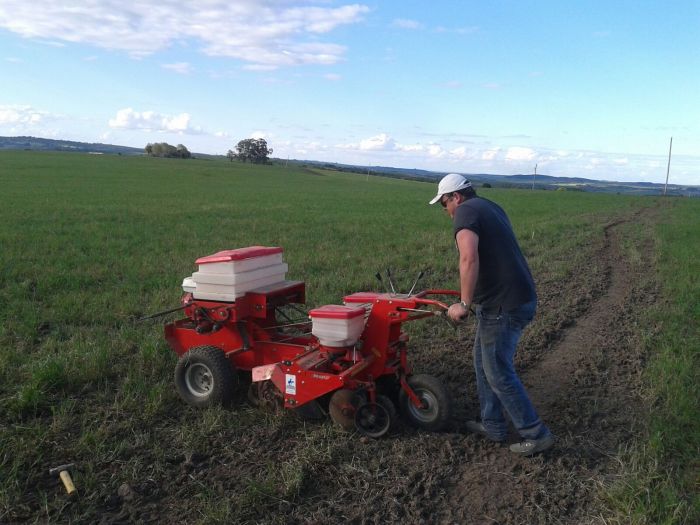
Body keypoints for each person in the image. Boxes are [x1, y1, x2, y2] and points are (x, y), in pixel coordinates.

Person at [429, 173, 553, 456]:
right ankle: (493, 424)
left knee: (497, 371)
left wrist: (463, 303)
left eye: (443, 204)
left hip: (503, 305)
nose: (446, 211)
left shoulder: (465, 212)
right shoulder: (489, 206)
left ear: (456, 197)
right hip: (512, 298)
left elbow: (469, 257)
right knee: (481, 363)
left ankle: (536, 433)